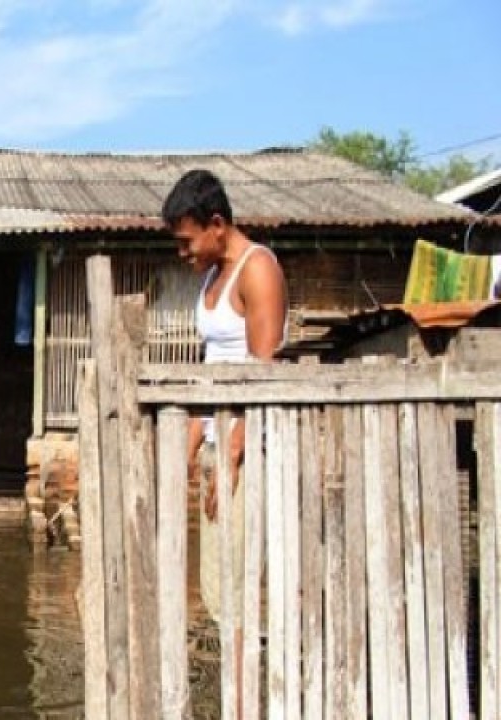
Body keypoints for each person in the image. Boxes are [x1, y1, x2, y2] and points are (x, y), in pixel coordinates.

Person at [164, 168, 286, 713]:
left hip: (248, 445)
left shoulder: (257, 269)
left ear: (217, 224)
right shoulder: (211, 278)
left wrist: (233, 456)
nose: (183, 252)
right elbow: (210, 373)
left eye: (188, 240)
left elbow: (264, 373)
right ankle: (237, 699)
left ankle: (243, 703)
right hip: (219, 443)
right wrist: (187, 452)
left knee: (235, 586)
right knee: (216, 587)